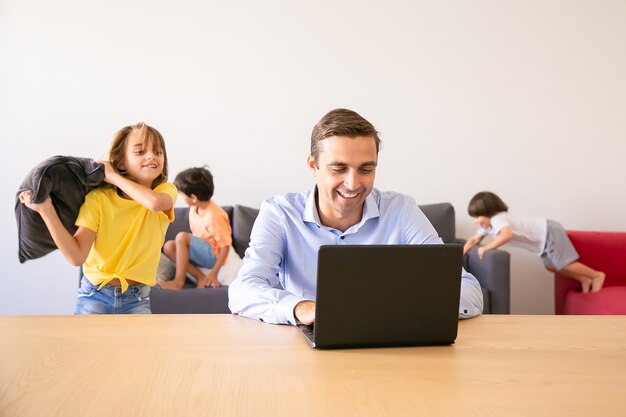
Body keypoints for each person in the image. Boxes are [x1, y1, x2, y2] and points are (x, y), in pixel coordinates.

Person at [228, 108, 484, 325]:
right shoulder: (280, 213)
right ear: (312, 166)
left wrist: (395, 308)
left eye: (366, 169)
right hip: (305, 348)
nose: (352, 184)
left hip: (389, 346)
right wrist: (302, 308)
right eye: (339, 168)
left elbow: (468, 291)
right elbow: (243, 290)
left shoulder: (402, 211)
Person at [19, 122, 177, 314]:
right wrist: (46, 210)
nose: (151, 156)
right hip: (95, 294)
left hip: (137, 298)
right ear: (120, 162)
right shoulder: (99, 199)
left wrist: (113, 176)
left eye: (158, 152)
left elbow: (154, 204)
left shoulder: (165, 191)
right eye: (140, 151)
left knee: (139, 346)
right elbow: (76, 257)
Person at [463, 191, 605, 293]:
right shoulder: (488, 226)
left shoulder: (498, 219)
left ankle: (596, 275)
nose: (476, 221)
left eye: (478, 217)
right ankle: (583, 278)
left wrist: (486, 248)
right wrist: (460, 254)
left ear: (489, 212)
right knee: (550, 266)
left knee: (564, 263)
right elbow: (474, 239)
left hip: (549, 231)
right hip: (543, 241)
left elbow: (507, 235)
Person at [158, 167, 232, 290]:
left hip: (213, 256)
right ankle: (201, 277)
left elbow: (225, 247)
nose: (181, 197)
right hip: (202, 250)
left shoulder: (215, 216)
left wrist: (214, 273)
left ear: (193, 198)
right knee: (168, 247)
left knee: (182, 237)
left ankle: (178, 281)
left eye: (182, 195)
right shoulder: (195, 208)